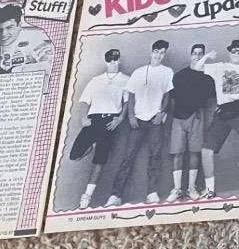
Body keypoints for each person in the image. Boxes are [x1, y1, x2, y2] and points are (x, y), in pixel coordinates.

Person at [105, 39, 174, 207]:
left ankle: (152, 192)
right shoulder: (139, 72)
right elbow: (131, 95)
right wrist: (131, 116)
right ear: (151, 52)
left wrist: (161, 113)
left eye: (162, 52)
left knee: (155, 156)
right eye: (156, 52)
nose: (159, 55)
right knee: (127, 156)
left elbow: (167, 95)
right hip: (137, 120)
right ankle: (115, 195)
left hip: (155, 121)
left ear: (164, 54)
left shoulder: (167, 72)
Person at [199, 41, 239, 197]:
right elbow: (197, 67)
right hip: (223, 110)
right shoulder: (219, 67)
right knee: (206, 150)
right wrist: (207, 56)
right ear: (229, 52)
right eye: (234, 51)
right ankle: (210, 189)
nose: (236, 54)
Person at [69, 48, 129, 209]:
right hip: (94, 120)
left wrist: (120, 119)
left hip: (110, 121)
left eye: (115, 59)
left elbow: (127, 102)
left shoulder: (126, 80)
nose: (113, 63)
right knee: (74, 155)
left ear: (119, 60)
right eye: (110, 60)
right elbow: (84, 101)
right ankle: (92, 144)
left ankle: (86, 196)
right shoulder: (96, 80)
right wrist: (83, 118)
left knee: (100, 161)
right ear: (106, 61)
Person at [166, 43, 213, 201]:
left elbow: (210, 98)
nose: (197, 56)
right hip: (179, 118)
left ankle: (191, 188)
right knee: (177, 153)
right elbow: (172, 97)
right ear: (191, 55)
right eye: (195, 53)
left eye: (201, 53)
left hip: (197, 117)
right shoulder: (180, 75)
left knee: (195, 152)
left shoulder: (207, 77)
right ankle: (177, 189)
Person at [0, 3, 54, 74]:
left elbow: (51, 64)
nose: (3, 34)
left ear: (19, 25)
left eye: (9, 28)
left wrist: (16, 71)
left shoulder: (33, 39)